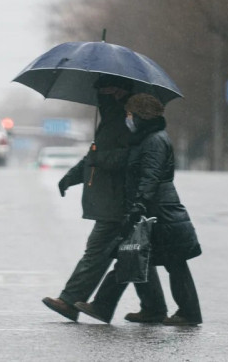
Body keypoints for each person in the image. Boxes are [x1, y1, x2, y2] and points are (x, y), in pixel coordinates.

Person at [42, 76, 167, 323]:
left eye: (105, 87)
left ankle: (69, 301)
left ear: (119, 90)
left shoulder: (128, 120)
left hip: (118, 198)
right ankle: (154, 307)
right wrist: (71, 176)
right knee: (133, 252)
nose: (99, 92)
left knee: (97, 251)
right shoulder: (110, 118)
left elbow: (129, 158)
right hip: (111, 197)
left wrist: (100, 160)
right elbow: (94, 155)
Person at [74, 93, 203, 326]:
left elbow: (150, 175)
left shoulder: (154, 140)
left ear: (140, 116)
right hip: (157, 208)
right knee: (133, 256)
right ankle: (150, 310)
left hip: (160, 212)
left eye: (130, 114)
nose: (128, 119)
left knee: (149, 258)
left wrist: (139, 204)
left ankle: (187, 313)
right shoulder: (146, 139)